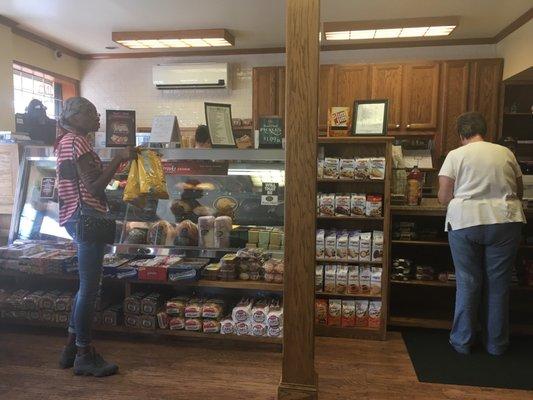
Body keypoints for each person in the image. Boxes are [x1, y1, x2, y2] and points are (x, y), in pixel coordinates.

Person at [55, 97, 136, 376]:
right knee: (90, 289)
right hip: (87, 218)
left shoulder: (65, 141)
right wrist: (118, 158)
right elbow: (96, 187)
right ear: (74, 117)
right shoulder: (78, 142)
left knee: (84, 288)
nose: (97, 118)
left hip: (73, 217)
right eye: (90, 113)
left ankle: (69, 349)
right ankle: (84, 354)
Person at [438, 111, 526, 356]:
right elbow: (518, 190)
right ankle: (496, 345)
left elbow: (444, 197)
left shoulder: (455, 155)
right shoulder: (505, 153)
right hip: (505, 220)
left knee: (468, 282)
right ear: (484, 131)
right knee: (498, 285)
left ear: (460, 134)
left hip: (466, 221)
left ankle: (462, 342)